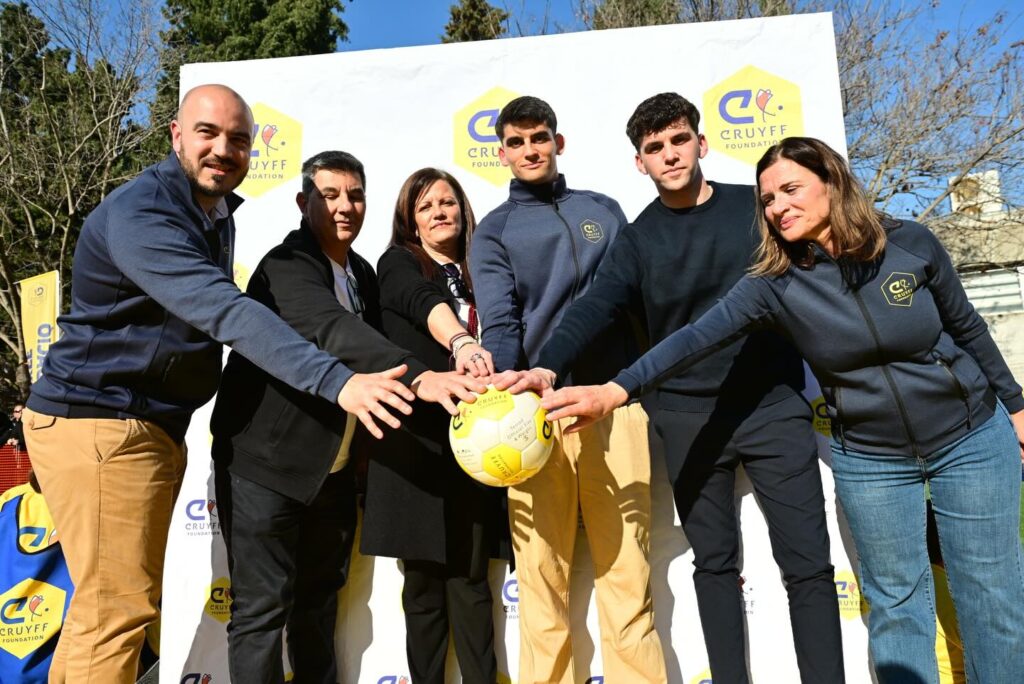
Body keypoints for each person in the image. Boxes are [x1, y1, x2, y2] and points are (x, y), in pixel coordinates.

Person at [537, 136, 1024, 684]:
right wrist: (614, 390)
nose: (777, 206)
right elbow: (692, 340)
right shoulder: (773, 283)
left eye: (791, 189)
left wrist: (1016, 406)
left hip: (968, 437)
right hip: (872, 457)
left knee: (992, 599)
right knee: (897, 606)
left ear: (832, 183)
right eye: (768, 199)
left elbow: (968, 328)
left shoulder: (910, 243)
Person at [21, 85, 418, 684]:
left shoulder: (212, 214)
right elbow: (225, 310)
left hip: (143, 427)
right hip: (101, 422)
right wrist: (337, 381)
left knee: (107, 609)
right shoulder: (143, 213)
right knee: (115, 612)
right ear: (176, 135)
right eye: (207, 133)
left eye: (238, 139)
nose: (223, 150)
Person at [501, 93, 843, 683]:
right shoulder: (636, 239)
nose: (670, 154)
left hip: (773, 408)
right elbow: (594, 308)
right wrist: (548, 367)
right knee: (715, 566)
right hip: (687, 419)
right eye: (654, 147)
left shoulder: (757, 211)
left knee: (809, 566)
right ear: (640, 163)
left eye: (679, 140)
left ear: (701, 143)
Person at [210, 152, 483, 683]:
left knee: (318, 604)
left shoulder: (361, 272)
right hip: (265, 468)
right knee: (262, 612)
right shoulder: (285, 266)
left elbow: (394, 325)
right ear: (303, 202)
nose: (345, 206)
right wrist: (420, 378)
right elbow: (334, 329)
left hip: (330, 474)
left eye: (355, 195)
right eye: (330, 195)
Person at [469, 95, 666, 684]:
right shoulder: (494, 231)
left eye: (540, 138)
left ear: (558, 142)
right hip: (535, 418)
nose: (531, 150)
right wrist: (509, 394)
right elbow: (501, 323)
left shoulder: (603, 209)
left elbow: (634, 299)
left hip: (614, 406)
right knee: (541, 585)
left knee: (628, 578)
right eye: (517, 141)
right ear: (502, 153)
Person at [361, 167, 507, 684]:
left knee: (471, 581)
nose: (439, 212)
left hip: (479, 445)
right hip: (415, 445)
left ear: (463, 209)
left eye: (447, 202)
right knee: (422, 589)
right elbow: (420, 301)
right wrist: (461, 342)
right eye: (425, 207)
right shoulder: (398, 263)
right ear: (411, 221)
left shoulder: (485, 266)